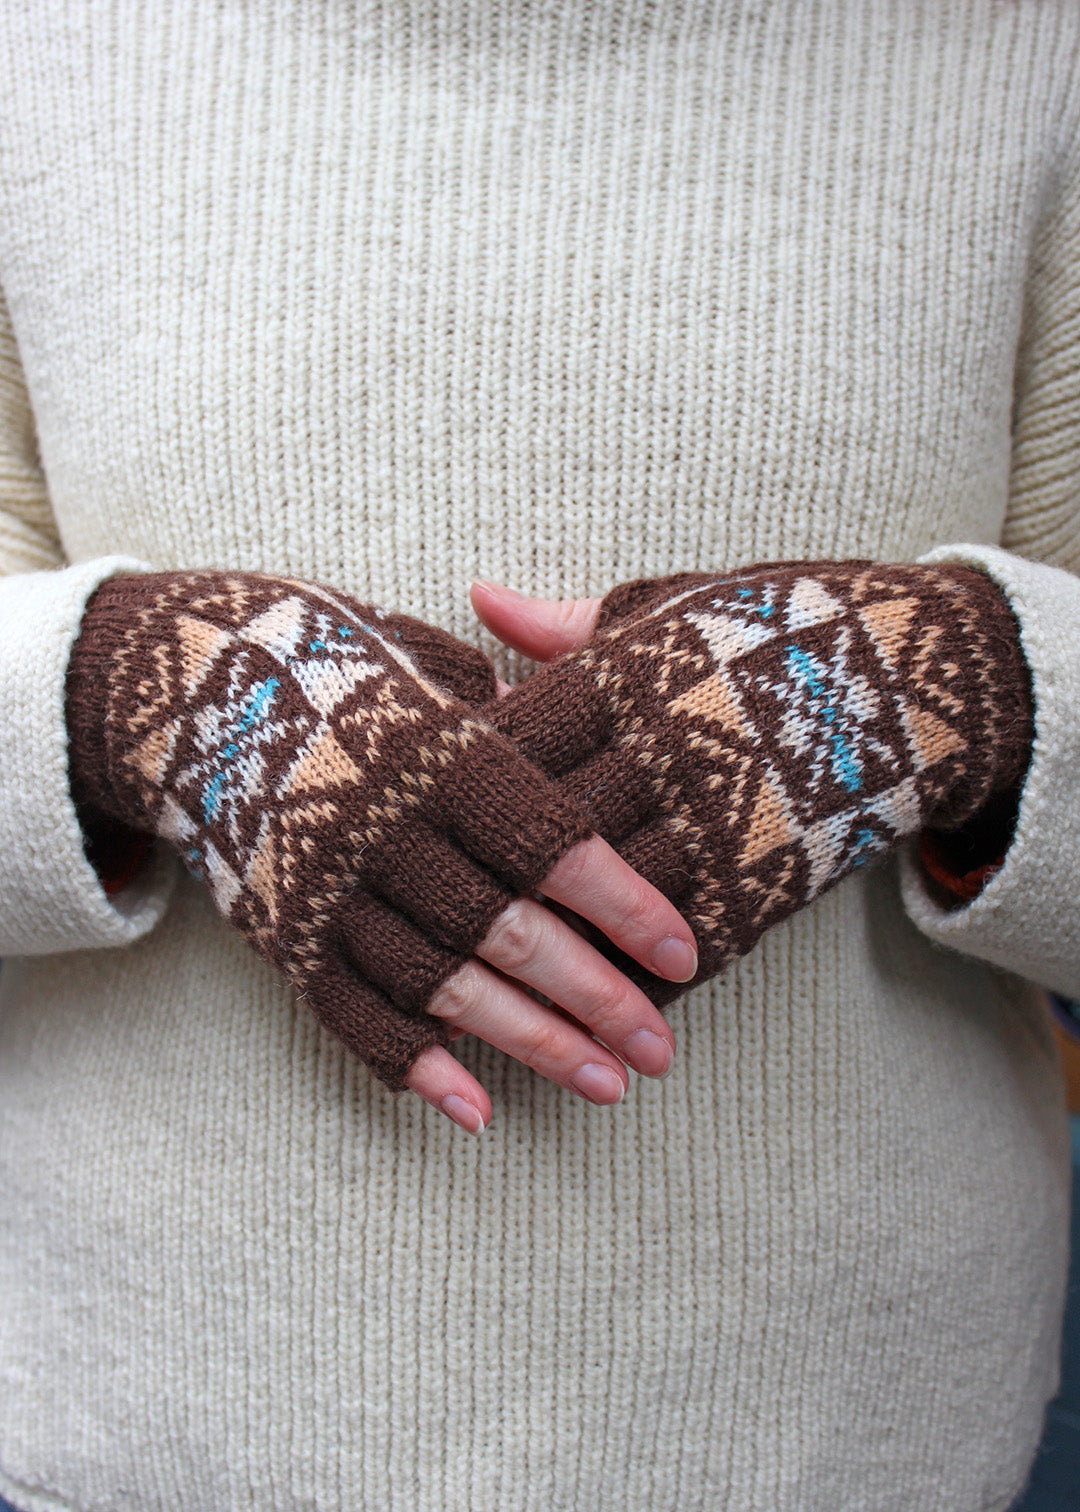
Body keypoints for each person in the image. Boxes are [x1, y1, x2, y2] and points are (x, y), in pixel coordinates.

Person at [0, 4, 1077, 1509]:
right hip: (148, 1414)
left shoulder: (1037, 58)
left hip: (851, 1427)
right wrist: (127, 696)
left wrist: (960, 690)